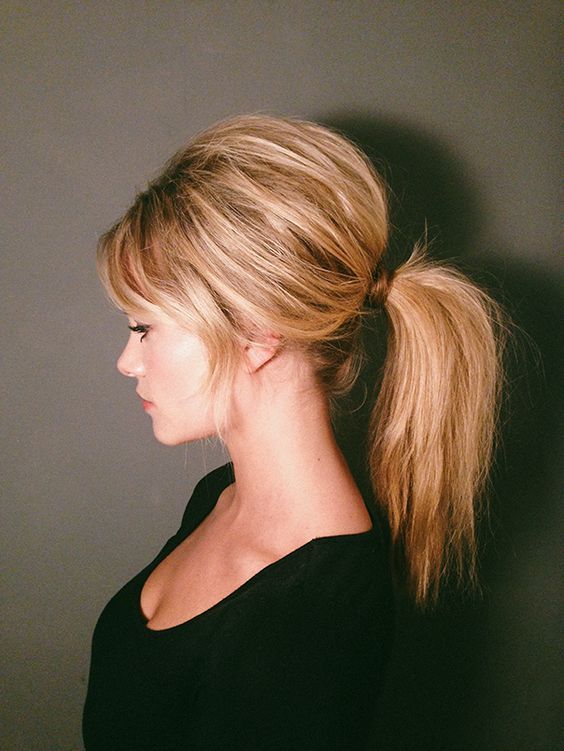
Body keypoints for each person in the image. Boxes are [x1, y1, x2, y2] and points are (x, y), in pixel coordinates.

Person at [82, 115, 505, 750]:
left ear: (256, 335)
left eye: (144, 328)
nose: (127, 361)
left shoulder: (313, 616)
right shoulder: (221, 493)